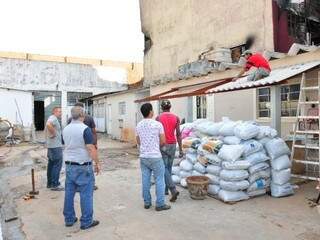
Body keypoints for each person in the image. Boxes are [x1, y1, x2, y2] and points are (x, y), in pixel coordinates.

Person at [63, 106, 101, 230]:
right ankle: (86, 221)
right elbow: (91, 148)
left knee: (69, 192)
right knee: (86, 194)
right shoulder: (85, 129)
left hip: (69, 165)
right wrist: (97, 163)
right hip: (83, 165)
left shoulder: (66, 129)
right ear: (82, 115)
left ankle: (69, 219)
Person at [136, 103, 171, 211]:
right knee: (159, 180)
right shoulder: (157, 124)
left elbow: (138, 141)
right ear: (151, 112)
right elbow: (163, 141)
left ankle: (147, 202)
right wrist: (156, 146)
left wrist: (146, 147)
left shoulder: (138, 125)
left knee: (145, 179)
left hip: (143, 157)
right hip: (155, 156)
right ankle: (160, 204)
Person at [67, 102, 99, 190]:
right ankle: (91, 184)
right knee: (88, 164)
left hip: (75, 145)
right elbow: (93, 131)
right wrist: (95, 143)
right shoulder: (89, 118)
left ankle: (77, 185)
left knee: (76, 164)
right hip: (88, 145)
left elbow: (69, 133)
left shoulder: (70, 119)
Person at [157, 100, 182, 202]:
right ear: (170, 107)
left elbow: (157, 133)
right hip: (172, 144)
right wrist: (180, 149)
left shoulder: (158, 118)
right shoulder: (176, 118)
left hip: (163, 144)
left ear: (162, 107)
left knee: (163, 167)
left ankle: (171, 189)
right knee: (169, 167)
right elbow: (179, 134)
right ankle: (166, 189)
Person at [46, 107, 64, 191]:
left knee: (51, 164)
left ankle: (50, 183)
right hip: (55, 146)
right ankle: (55, 184)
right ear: (54, 112)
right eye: (59, 112)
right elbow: (48, 125)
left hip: (51, 146)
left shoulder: (52, 118)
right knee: (57, 165)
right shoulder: (53, 118)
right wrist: (53, 133)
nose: (61, 113)